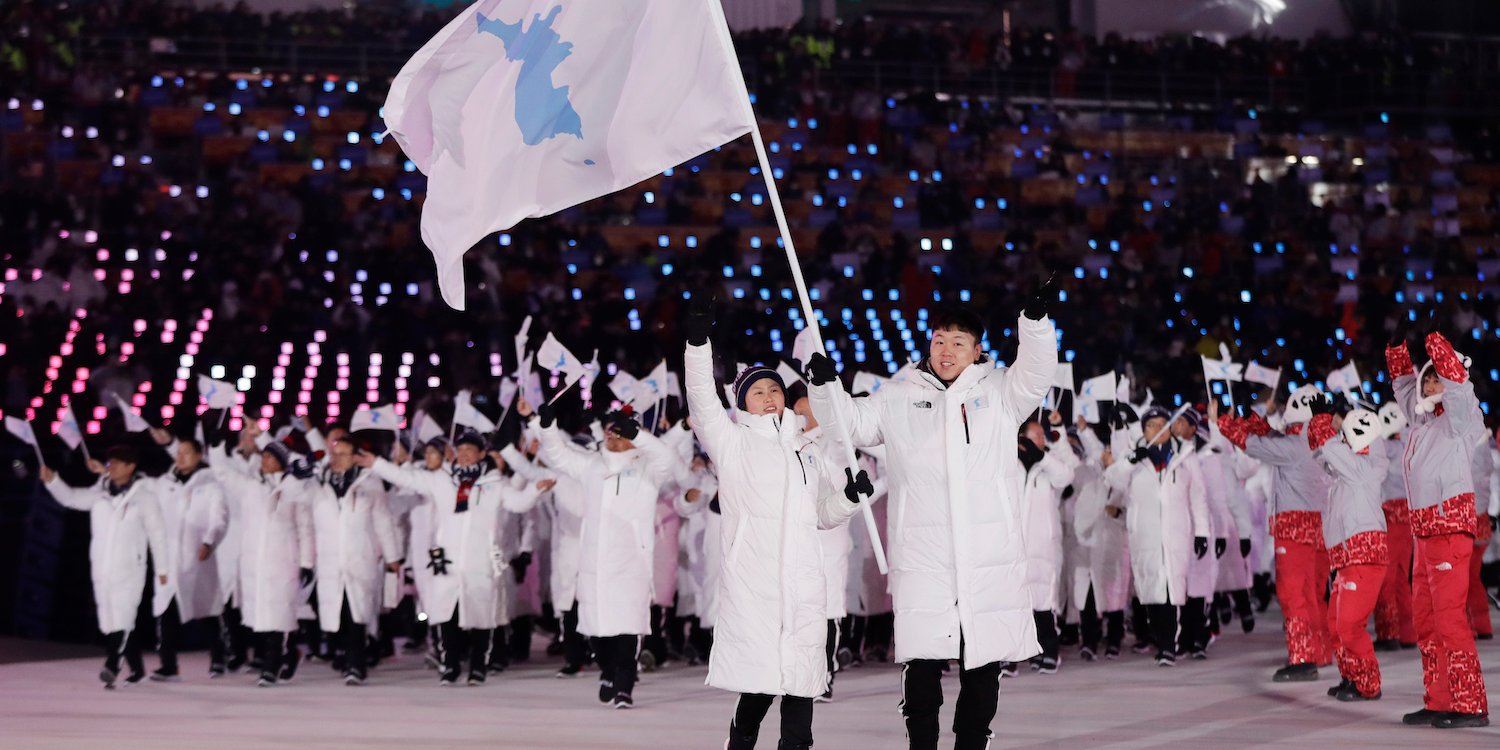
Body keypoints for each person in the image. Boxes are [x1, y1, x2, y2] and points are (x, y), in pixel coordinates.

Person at [806, 293, 1057, 750]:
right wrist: (826, 388)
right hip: (923, 559)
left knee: (981, 666)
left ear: (977, 351)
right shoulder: (899, 396)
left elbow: (1038, 370)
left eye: (959, 343)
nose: (946, 351)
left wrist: (1035, 324)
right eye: (940, 340)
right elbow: (849, 426)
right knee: (921, 666)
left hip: (987, 557)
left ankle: (971, 743)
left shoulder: (1000, 391)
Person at [681, 298, 865, 749]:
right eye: (758, 391)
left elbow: (821, 515)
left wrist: (847, 498)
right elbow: (703, 400)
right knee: (760, 685)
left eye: (775, 390)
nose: (769, 397)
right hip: (756, 579)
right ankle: (740, 741)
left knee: (801, 685)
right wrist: (697, 345)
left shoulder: (807, 450)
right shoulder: (732, 442)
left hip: (803, 583)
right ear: (743, 401)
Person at [528, 399, 683, 709]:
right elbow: (557, 455)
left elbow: (667, 459)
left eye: (620, 433)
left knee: (628, 627)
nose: (613, 437)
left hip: (630, 563)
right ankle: (607, 672)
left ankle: (624, 686)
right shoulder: (592, 466)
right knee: (597, 630)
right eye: (611, 433)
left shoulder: (647, 469)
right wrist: (546, 427)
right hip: (595, 563)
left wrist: (638, 435)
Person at [356, 429, 541, 686]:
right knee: (446, 616)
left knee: (481, 618)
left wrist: (535, 490)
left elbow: (519, 503)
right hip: (448, 562)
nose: (464, 455)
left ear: (481, 454)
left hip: (480, 562)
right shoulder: (443, 481)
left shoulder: (494, 484)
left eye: (469, 450)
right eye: (460, 450)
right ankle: (450, 665)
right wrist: (376, 463)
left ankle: (478, 667)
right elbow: (407, 478)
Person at [1387, 329, 1490, 728]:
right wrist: (1398, 351)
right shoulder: (1423, 422)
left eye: (1437, 378)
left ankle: (1470, 705)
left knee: (1449, 618)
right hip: (1424, 530)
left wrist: (1434, 343)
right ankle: (1440, 698)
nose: (1430, 384)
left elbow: (1459, 388)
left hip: (1449, 527)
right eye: (1427, 377)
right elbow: (1403, 388)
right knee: (1427, 620)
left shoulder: (1464, 417)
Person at [1218, 386, 1334, 682]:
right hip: (1320, 523)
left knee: (1293, 593)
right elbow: (1271, 437)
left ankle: (1302, 658)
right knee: (1312, 593)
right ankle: (1319, 650)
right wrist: (1251, 417)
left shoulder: (1295, 445)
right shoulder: (1319, 440)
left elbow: (1256, 445)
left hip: (1294, 524)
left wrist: (1223, 422)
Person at [42, 446, 167, 689]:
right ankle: (138, 669)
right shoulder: (99, 494)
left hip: (130, 567)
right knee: (113, 619)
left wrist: (163, 570)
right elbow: (71, 498)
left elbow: (158, 535)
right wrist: (53, 480)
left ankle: (112, 664)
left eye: (118, 463)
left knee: (124, 615)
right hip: (102, 566)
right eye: (110, 463)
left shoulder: (145, 498)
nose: (112, 467)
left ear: (131, 467)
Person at [207, 424, 315, 687]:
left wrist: (307, 562)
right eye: (263, 456)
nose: (263, 460)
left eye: (269, 456)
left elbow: (304, 527)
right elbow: (221, 472)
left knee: (278, 613)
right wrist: (216, 447)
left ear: (280, 461)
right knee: (261, 616)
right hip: (255, 560)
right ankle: (287, 655)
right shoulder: (249, 486)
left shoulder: (294, 488)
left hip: (282, 560)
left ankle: (271, 667)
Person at [1104, 405, 1211, 667]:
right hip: (1146, 536)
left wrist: (1201, 531)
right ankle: (1160, 640)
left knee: (1172, 591)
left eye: (1161, 424)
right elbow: (1112, 479)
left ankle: (1167, 647)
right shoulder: (1135, 458)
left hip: (1175, 535)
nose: (1157, 429)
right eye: (1151, 426)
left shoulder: (1185, 456)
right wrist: (1130, 460)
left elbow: (1198, 496)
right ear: (1143, 430)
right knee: (1152, 592)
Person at [1307, 403, 1389, 702]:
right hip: (1346, 557)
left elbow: (1331, 451)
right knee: (1336, 623)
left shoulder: (1366, 468)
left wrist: (1323, 421)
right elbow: (1321, 455)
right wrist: (1325, 426)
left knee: (1349, 624)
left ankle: (1368, 684)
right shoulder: (1347, 471)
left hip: (1364, 556)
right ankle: (1351, 677)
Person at [306, 436, 403, 685]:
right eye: (335, 454)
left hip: (359, 557)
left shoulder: (369, 484)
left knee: (356, 614)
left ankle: (356, 665)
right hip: (330, 560)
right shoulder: (319, 485)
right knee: (336, 614)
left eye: (344, 454)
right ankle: (344, 655)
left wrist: (393, 557)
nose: (337, 459)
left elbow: (383, 521)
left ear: (355, 457)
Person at [146, 437, 230, 681]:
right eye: (178, 452)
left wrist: (210, 541)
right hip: (169, 561)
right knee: (166, 611)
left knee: (207, 611)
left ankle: (218, 658)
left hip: (197, 558)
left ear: (198, 456)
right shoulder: (165, 484)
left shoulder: (211, 485)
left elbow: (219, 519)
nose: (180, 457)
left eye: (186, 452)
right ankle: (169, 665)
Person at [1017, 415, 1079, 674]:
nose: (1042, 440)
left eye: (1043, 436)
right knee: (1016, 602)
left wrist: (1042, 455)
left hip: (1043, 545)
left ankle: (1049, 652)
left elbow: (1067, 475)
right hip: (1015, 546)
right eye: (1036, 436)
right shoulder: (1009, 464)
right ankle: (1016, 656)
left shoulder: (1049, 465)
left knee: (1044, 601)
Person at [1372, 403, 1417, 651]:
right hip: (1407, 515)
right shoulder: (1409, 444)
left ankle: (1389, 632)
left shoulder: (1385, 447)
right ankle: (1408, 632)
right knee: (1401, 576)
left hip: (1390, 514)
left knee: (1387, 577)